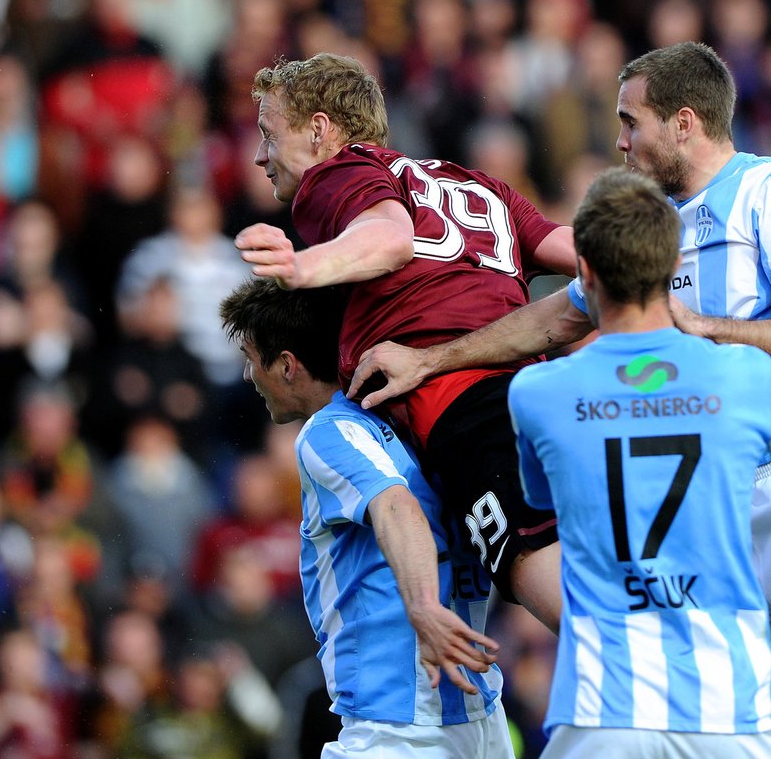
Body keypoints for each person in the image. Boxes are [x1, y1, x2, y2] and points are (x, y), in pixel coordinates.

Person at [347, 41, 771, 599]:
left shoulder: (759, 192)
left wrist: (711, 327)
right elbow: (555, 319)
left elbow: (694, 328)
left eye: (631, 123)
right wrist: (430, 359)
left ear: (684, 123)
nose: (620, 141)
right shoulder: (650, 225)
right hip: (697, 494)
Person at [235, 52, 577, 630]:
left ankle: (648, 687)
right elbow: (575, 253)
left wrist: (303, 264)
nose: (261, 156)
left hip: (465, 403)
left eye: (270, 134)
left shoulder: (333, 177)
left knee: (530, 561)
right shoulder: (471, 182)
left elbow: (388, 238)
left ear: (319, 130)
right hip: (539, 385)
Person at [507, 167, 771, 757]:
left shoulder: (536, 393)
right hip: (732, 706)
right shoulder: (752, 378)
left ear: (586, 272)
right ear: (671, 267)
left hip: (605, 707)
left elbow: (547, 500)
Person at [219, 277, 512, 759]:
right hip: (480, 713)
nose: (250, 375)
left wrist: (424, 608)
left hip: (400, 722)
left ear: (288, 366)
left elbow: (397, 505)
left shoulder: (326, 433)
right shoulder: (413, 414)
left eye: (252, 359)